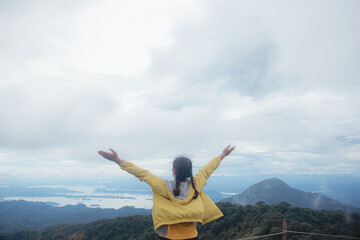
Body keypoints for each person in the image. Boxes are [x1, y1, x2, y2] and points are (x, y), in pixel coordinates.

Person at [98, 145, 235, 240]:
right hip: (191, 235)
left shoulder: (162, 186)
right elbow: (207, 169)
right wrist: (222, 155)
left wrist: (117, 160)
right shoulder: (196, 184)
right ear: (189, 172)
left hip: (168, 236)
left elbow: (142, 173)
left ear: (173, 171)